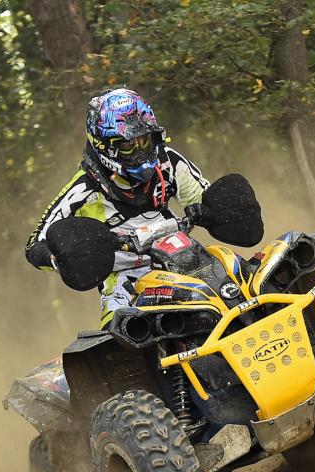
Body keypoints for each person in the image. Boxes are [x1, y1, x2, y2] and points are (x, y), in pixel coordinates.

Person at [25, 88, 211, 327]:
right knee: (121, 334)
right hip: (124, 280)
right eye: (128, 145)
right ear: (104, 146)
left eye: (143, 140)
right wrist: (64, 257)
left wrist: (211, 210)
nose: (140, 151)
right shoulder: (82, 190)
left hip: (183, 254)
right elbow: (34, 245)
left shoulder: (168, 161)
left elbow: (204, 198)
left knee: (236, 280)